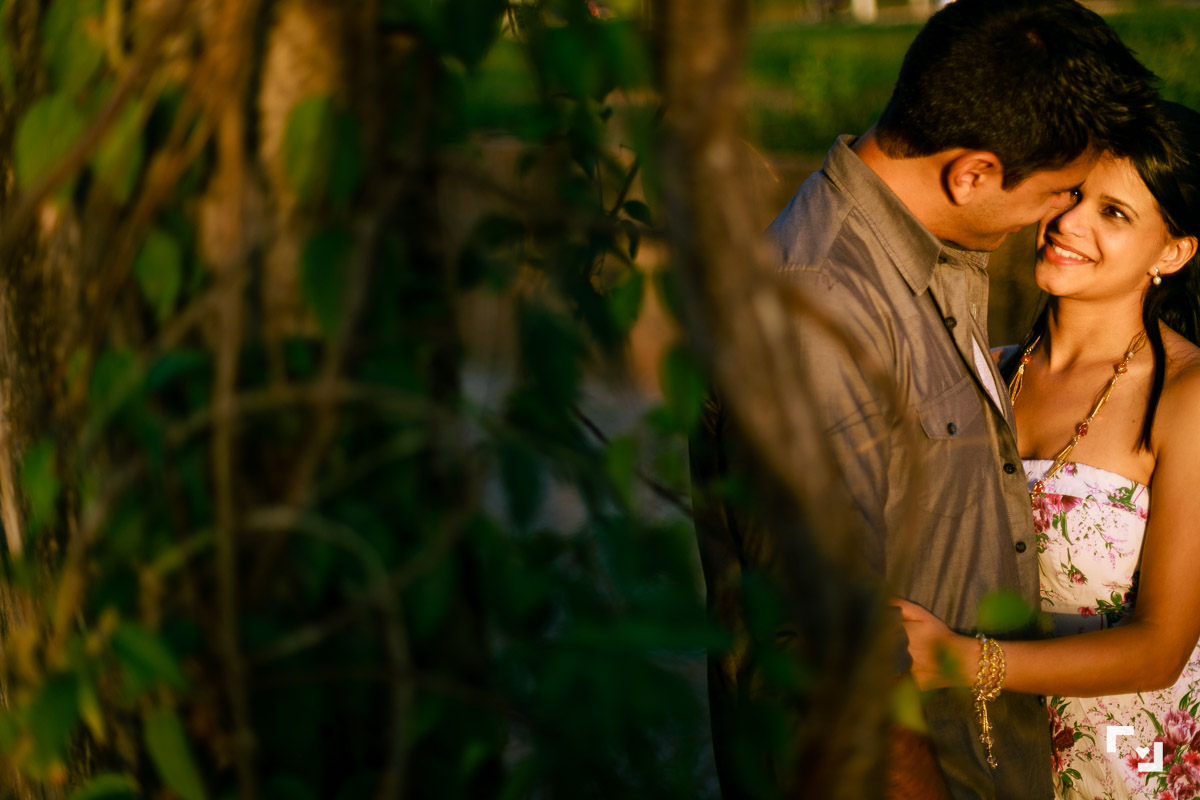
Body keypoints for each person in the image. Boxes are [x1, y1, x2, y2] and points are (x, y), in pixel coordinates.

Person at [689, 1, 1159, 798]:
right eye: (1056, 192)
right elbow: (837, 655)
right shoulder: (824, 312)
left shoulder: (932, 250)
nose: (1058, 217)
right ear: (971, 171)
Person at [896, 100, 1200, 800]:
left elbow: (1161, 648)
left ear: (1172, 252)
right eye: (1070, 196)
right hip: (990, 756)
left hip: (1128, 764)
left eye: (1114, 214)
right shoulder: (985, 372)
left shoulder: (1184, 396)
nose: (1068, 224)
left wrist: (965, 660)